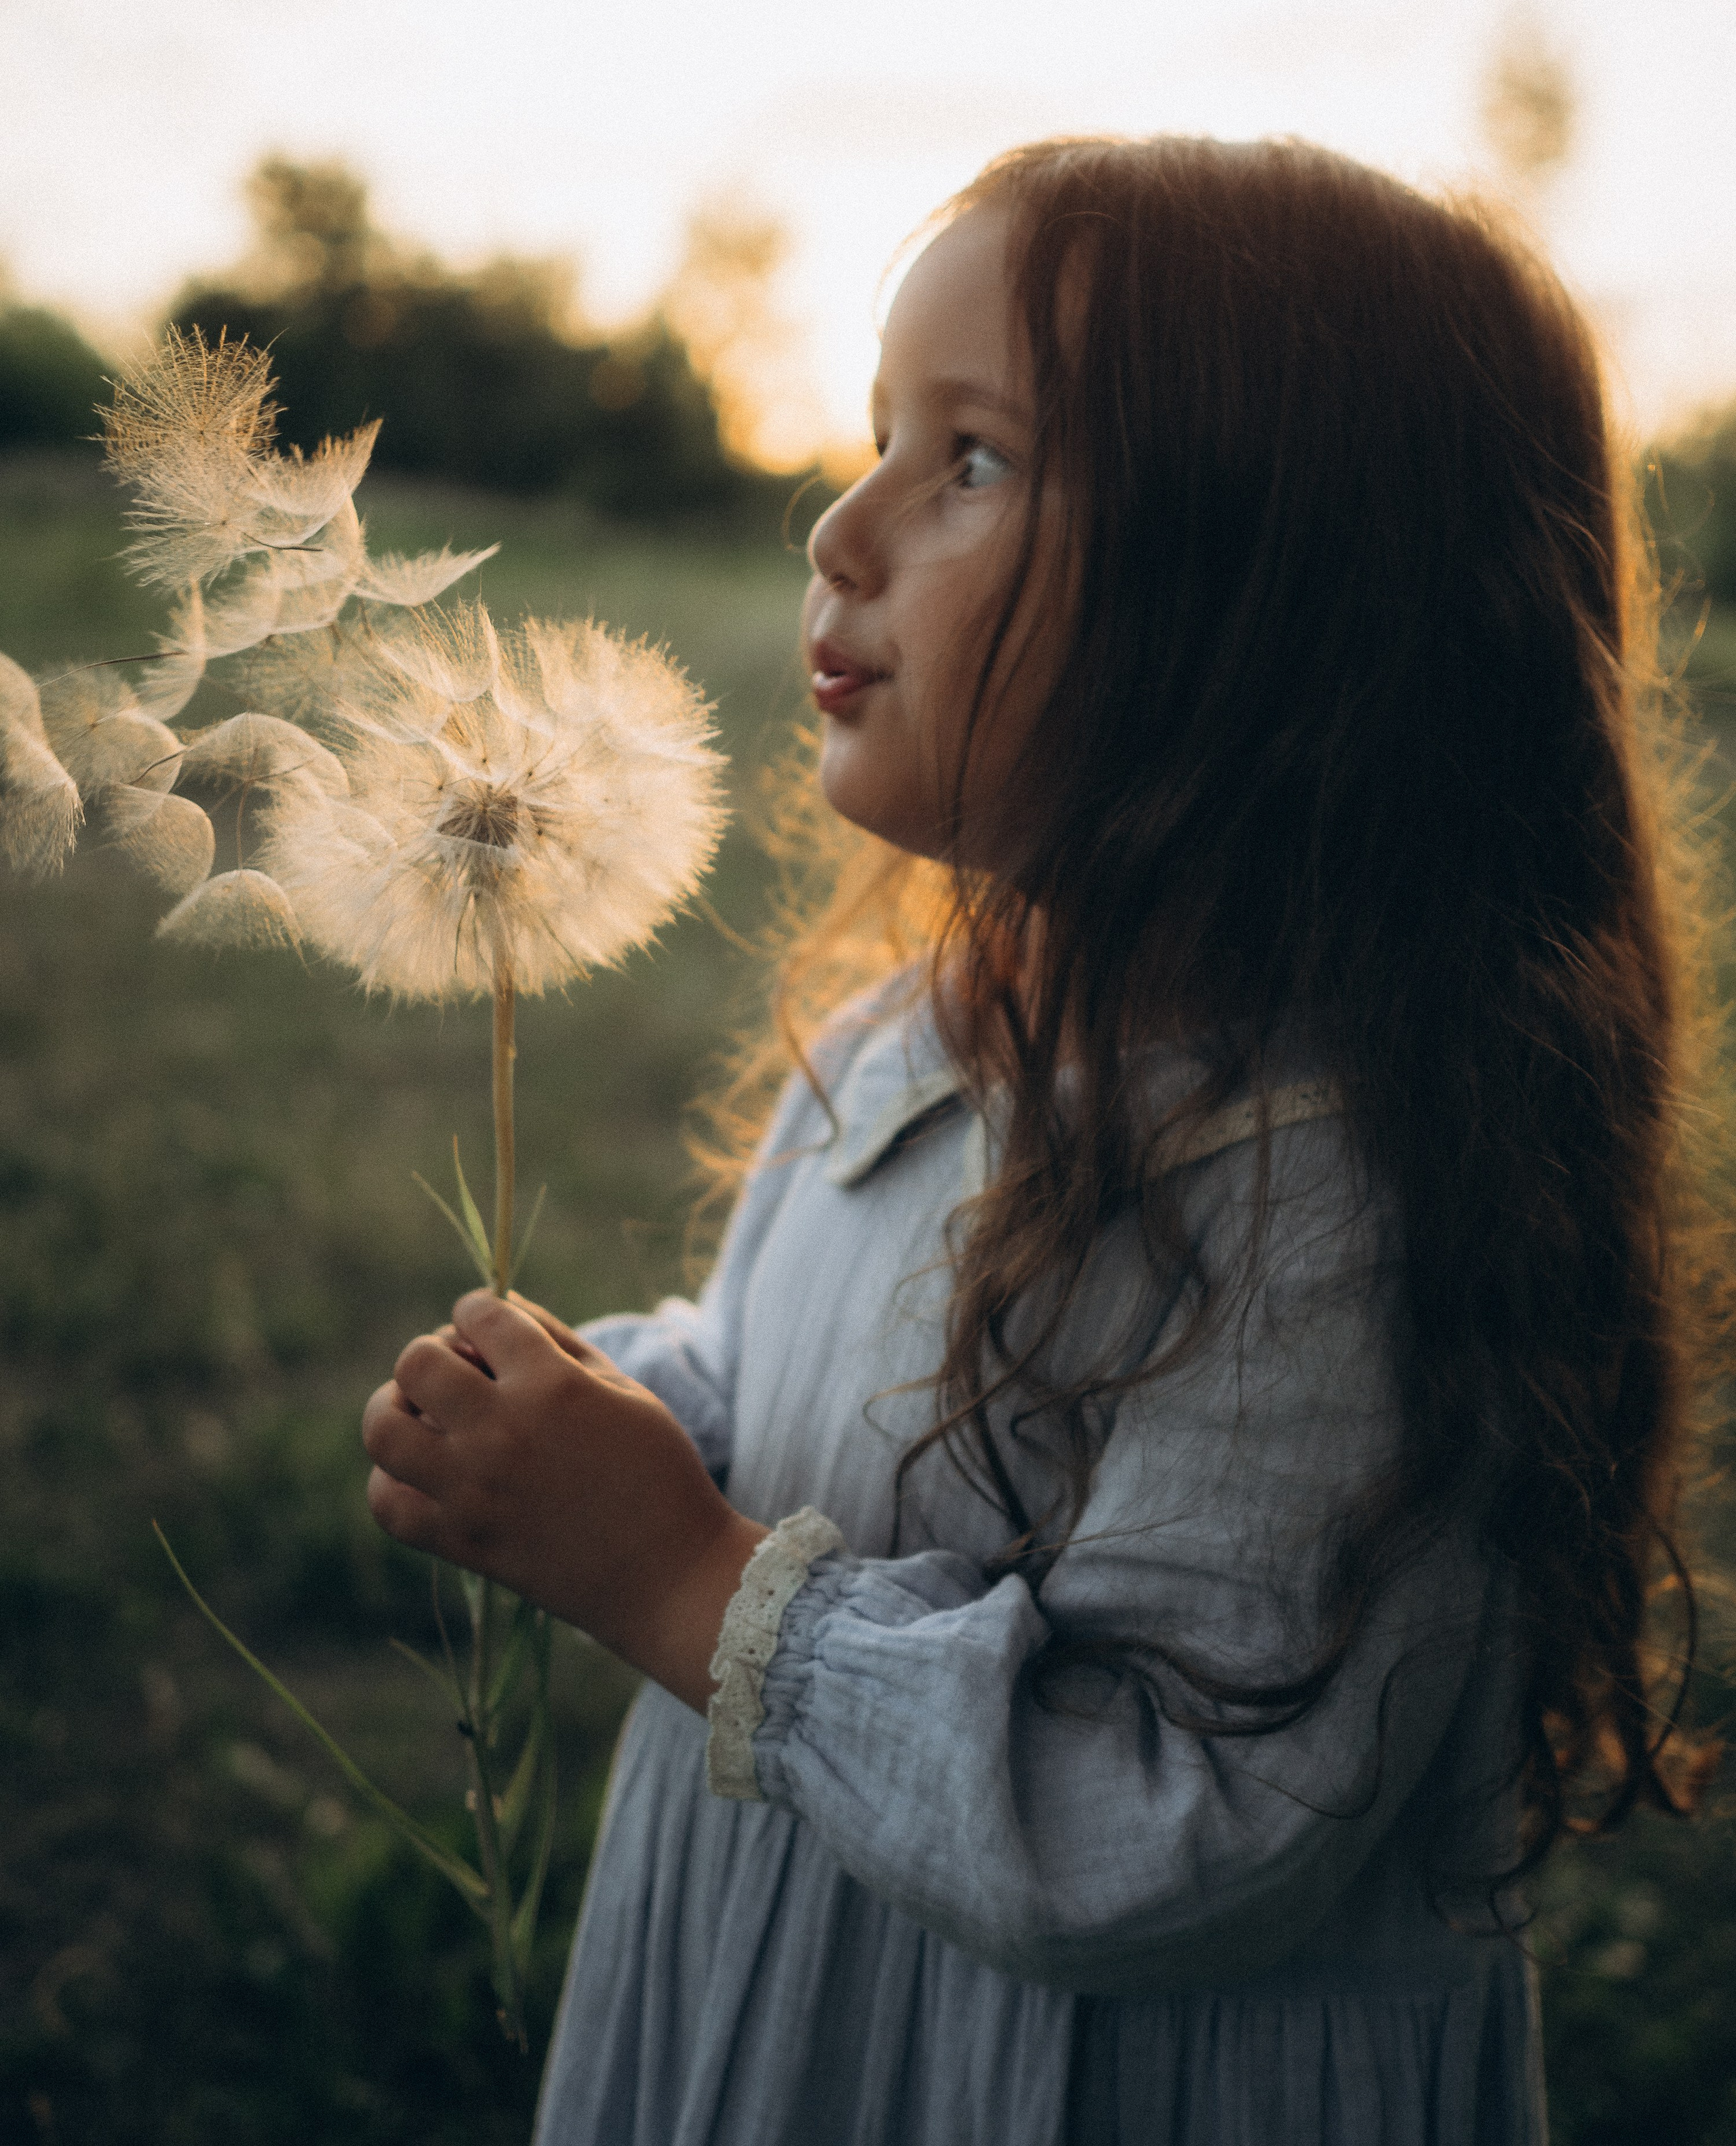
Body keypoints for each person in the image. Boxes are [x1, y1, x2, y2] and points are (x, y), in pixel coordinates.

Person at [360, 136, 1724, 2145]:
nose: (842, 527)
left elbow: (1172, 1827)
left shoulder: (1323, 1199)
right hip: (809, 2001)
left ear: (1274, 605)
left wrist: (677, 1576)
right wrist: (601, 1412)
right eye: (877, 439)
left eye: (972, 460)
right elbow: (795, 1389)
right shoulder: (912, 1038)